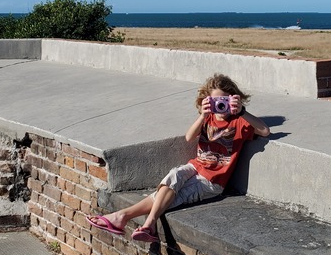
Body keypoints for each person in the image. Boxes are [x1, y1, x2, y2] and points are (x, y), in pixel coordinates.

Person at [86, 73, 271, 242]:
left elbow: (264, 131)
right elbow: (189, 137)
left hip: (212, 182)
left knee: (175, 196)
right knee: (174, 175)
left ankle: (129, 218)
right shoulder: (208, 117)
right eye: (215, 101)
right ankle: (137, 222)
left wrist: (241, 111)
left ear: (232, 98)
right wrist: (204, 114)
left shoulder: (239, 121)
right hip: (195, 167)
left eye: (223, 100)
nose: (219, 106)